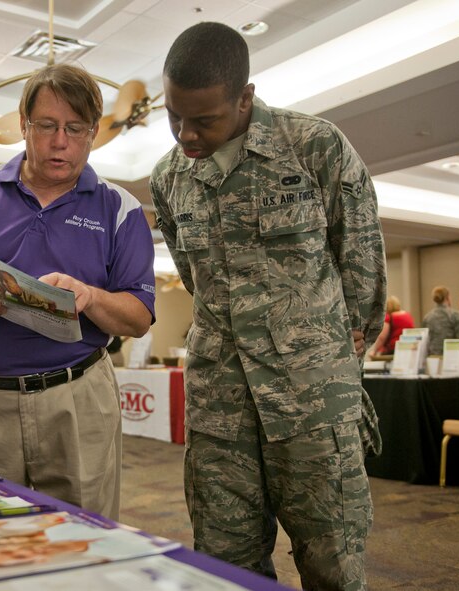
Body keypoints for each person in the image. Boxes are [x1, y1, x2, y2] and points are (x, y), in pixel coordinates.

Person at [150, 22, 386, 590]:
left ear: (245, 98)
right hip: (220, 404)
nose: (186, 135)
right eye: (173, 115)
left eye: (203, 120)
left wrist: (336, 347)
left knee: (332, 559)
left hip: (310, 398)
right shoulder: (168, 177)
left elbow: (361, 260)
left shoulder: (314, 147)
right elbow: (193, 276)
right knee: (225, 564)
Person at [0, 63, 156, 520]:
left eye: (75, 129)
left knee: (83, 538)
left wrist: (90, 296)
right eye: (46, 126)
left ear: (93, 132)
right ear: (23, 124)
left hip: (78, 398)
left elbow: (139, 316)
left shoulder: (120, 207)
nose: (60, 141)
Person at [421, 285, 459, 356]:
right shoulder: (455, 315)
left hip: (432, 359)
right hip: (452, 358)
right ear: (447, 298)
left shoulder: (427, 317)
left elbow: (425, 342)